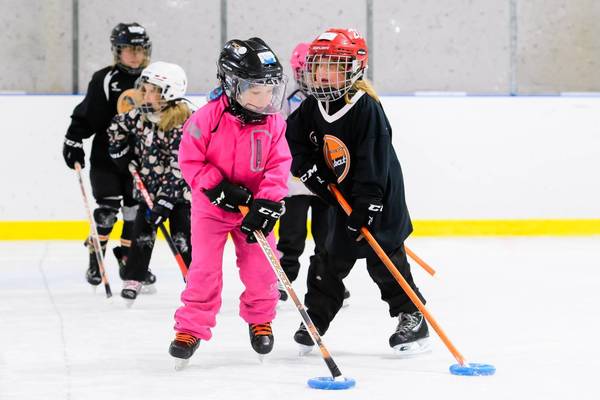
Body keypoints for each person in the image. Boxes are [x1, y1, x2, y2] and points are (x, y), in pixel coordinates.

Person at [286, 28, 429, 355]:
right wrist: (311, 171)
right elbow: (294, 140)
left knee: (384, 261)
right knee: (327, 259)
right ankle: (316, 320)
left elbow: (373, 163)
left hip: (379, 200)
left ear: (352, 69)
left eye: (333, 65)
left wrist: (367, 205)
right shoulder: (312, 107)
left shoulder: (366, 108)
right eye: (318, 65)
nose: (322, 73)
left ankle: (412, 316)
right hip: (342, 199)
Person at [168, 38, 291, 365]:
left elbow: (280, 165)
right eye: (255, 90)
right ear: (231, 84)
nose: (264, 98)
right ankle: (191, 326)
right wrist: (216, 187)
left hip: (254, 208)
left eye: (270, 90)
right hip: (212, 208)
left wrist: (267, 203)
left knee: (261, 269)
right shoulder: (207, 118)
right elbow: (190, 160)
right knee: (204, 269)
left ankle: (260, 317)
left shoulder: (274, 121)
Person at [62, 22, 154, 286]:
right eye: (127, 49)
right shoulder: (105, 79)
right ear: (117, 51)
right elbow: (89, 112)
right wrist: (74, 139)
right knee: (106, 211)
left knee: (134, 213)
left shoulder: (153, 79)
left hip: (140, 158)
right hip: (105, 158)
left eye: (139, 49)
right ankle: (96, 260)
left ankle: (128, 261)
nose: (134, 54)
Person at [107, 61, 192, 304]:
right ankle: (134, 276)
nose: (146, 94)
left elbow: (180, 167)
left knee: (182, 236)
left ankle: (195, 280)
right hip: (148, 192)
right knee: (141, 235)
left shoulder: (182, 122)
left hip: (177, 195)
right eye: (144, 88)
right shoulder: (141, 115)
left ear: (169, 92)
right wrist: (120, 152)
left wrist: (165, 199)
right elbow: (116, 126)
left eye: (152, 90)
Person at [275, 42, 350, 305]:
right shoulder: (287, 97)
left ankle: (327, 280)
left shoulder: (332, 98)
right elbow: (281, 133)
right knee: (291, 235)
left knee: (327, 237)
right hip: (295, 181)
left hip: (325, 183)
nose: (311, 77)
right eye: (305, 71)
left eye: (314, 70)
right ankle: (283, 279)